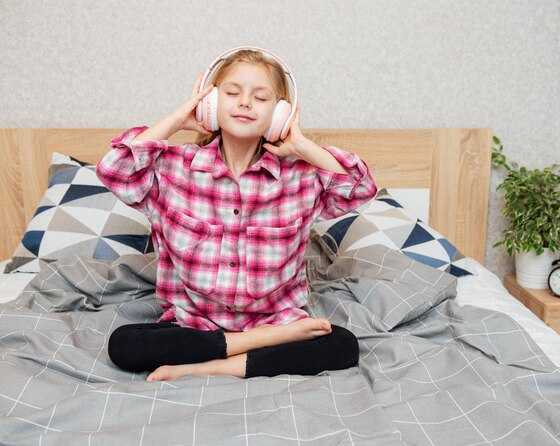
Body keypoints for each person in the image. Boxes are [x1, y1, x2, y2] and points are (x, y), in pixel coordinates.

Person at [96, 47, 377, 382]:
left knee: (342, 345)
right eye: (232, 93)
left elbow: (360, 187)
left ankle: (211, 365)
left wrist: (301, 144)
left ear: (280, 114)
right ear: (210, 103)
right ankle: (255, 344)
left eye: (260, 98)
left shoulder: (302, 177)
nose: (245, 103)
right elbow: (114, 169)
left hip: (277, 321)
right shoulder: (173, 169)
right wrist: (175, 120)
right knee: (124, 344)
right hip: (194, 326)